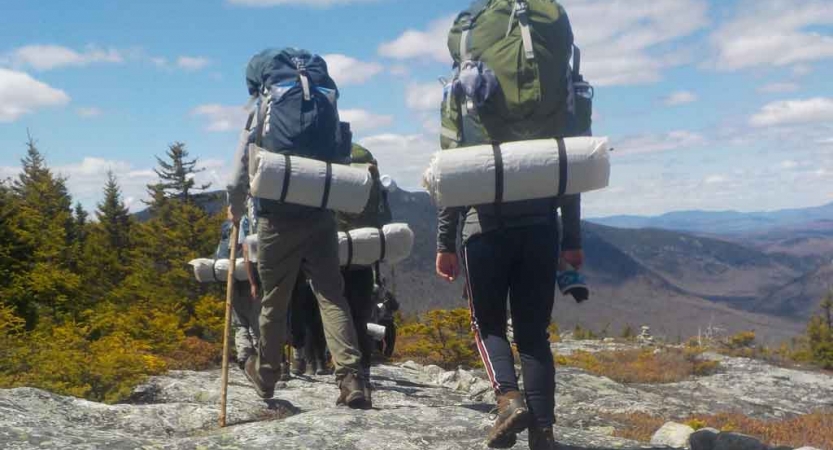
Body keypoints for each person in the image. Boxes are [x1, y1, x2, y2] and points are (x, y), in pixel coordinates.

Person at [436, 2, 585, 448]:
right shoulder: (557, 86)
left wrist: (445, 241)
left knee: (488, 325)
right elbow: (569, 166)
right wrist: (572, 238)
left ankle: (508, 398)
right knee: (534, 333)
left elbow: (451, 169)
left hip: (484, 224)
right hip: (542, 221)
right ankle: (544, 434)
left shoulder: (461, 91)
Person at [227, 49, 367, 408]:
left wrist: (235, 204)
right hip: (320, 211)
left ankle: (268, 375)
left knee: (275, 296)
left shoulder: (264, 107)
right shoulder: (323, 102)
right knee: (331, 295)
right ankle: (351, 377)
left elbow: (240, 169)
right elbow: (341, 153)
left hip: (276, 216)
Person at [336, 143, 393, 406]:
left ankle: (349, 379)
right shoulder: (371, 172)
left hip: (334, 252)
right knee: (360, 317)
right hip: (363, 253)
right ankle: (365, 378)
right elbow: (385, 217)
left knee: (336, 314)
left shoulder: (332, 166)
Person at [216, 213, 260, 369]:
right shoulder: (251, 222)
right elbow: (248, 250)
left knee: (240, 322)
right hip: (250, 279)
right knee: (256, 322)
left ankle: (244, 355)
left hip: (233, 280)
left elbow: (219, 257)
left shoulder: (227, 227)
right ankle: (261, 358)